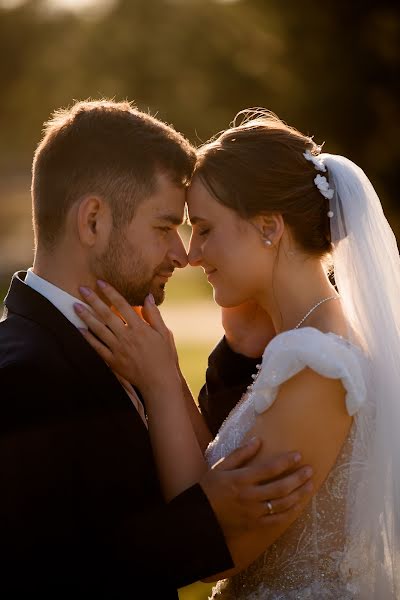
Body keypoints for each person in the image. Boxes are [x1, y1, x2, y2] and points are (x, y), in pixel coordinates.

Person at [76, 108, 400, 598]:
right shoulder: (302, 345)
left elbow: (213, 549)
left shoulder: (320, 367)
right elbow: (217, 479)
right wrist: (169, 373)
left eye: (205, 228)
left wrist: (161, 382)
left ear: (269, 227)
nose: (191, 254)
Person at [0, 101, 313, 598]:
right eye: (165, 227)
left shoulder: (128, 338)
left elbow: (204, 456)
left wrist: (237, 350)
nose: (182, 254)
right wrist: (202, 520)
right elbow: (40, 572)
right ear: (94, 221)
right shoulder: (18, 375)